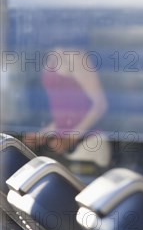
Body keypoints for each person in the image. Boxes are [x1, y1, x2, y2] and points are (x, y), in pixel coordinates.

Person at [23, 46, 111, 180]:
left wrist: (70, 137)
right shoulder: (48, 56)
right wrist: (43, 134)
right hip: (68, 150)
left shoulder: (77, 57)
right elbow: (65, 114)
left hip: (89, 146)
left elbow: (100, 105)